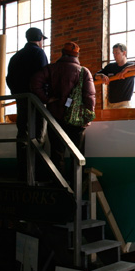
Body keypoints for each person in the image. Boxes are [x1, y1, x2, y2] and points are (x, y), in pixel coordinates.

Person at [31, 42, 96, 179]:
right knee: (77, 154)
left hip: (55, 117)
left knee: (57, 153)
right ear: (77, 55)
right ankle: (75, 185)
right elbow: (89, 96)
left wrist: (46, 99)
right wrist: (87, 118)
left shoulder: (51, 69)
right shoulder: (84, 72)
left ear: (62, 53)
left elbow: (35, 83)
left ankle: (59, 185)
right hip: (76, 120)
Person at [6, 27, 49, 182]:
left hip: (22, 101)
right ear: (40, 39)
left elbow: (9, 79)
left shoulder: (16, 57)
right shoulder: (39, 53)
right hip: (36, 100)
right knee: (38, 136)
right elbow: (44, 76)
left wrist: (18, 95)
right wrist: (45, 96)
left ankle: (23, 172)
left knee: (22, 135)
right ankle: (36, 173)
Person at [94, 43, 135, 109]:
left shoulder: (131, 66)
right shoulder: (110, 67)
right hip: (110, 104)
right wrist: (101, 76)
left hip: (124, 104)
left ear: (124, 53)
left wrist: (127, 69)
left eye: (117, 53)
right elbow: (95, 76)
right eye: (113, 53)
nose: (115, 55)